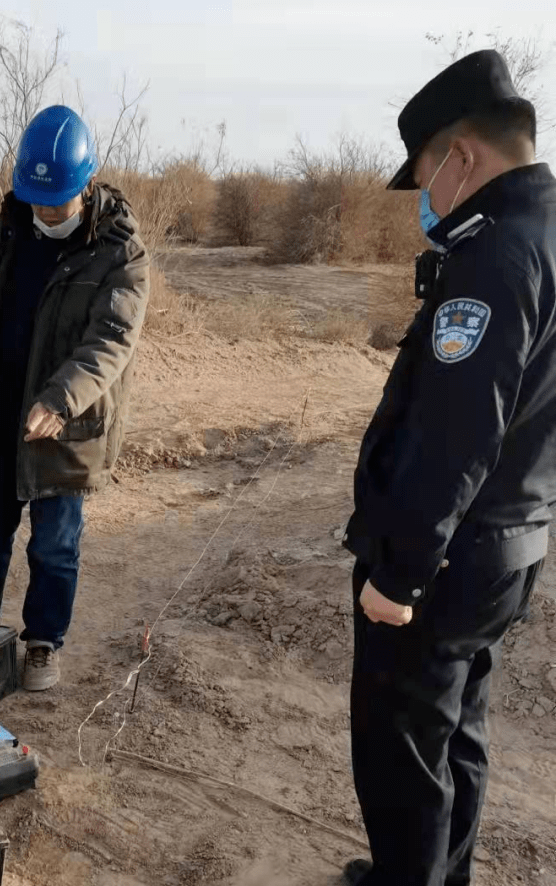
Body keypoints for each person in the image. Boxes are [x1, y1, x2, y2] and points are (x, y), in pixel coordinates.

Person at [343, 50, 556, 885]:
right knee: (456, 731)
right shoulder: (543, 232)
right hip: (512, 541)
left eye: (427, 175)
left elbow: (460, 432)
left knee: (402, 754)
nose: (425, 201)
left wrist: (399, 572)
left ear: (462, 157)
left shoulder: (495, 258)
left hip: (451, 557)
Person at [0, 105, 150, 691]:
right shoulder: (10, 225)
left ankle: (42, 643)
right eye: (35, 198)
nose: (44, 212)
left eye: (55, 202)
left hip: (67, 424)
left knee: (55, 546)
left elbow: (109, 343)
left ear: (84, 188)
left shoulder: (122, 254)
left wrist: (59, 402)